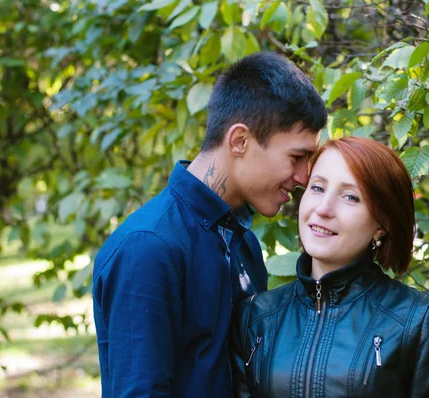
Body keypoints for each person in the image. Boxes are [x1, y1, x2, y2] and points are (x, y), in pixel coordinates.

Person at [92, 52, 327, 397]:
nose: (304, 177)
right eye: (297, 157)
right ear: (239, 141)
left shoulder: (242, 242)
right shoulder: (148, 247)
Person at [231, 137, 429, 397]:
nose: (323, 209)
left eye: (351, 197)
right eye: (317, 188)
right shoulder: (256, 317)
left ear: (382, 224)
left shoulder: (417, 320)